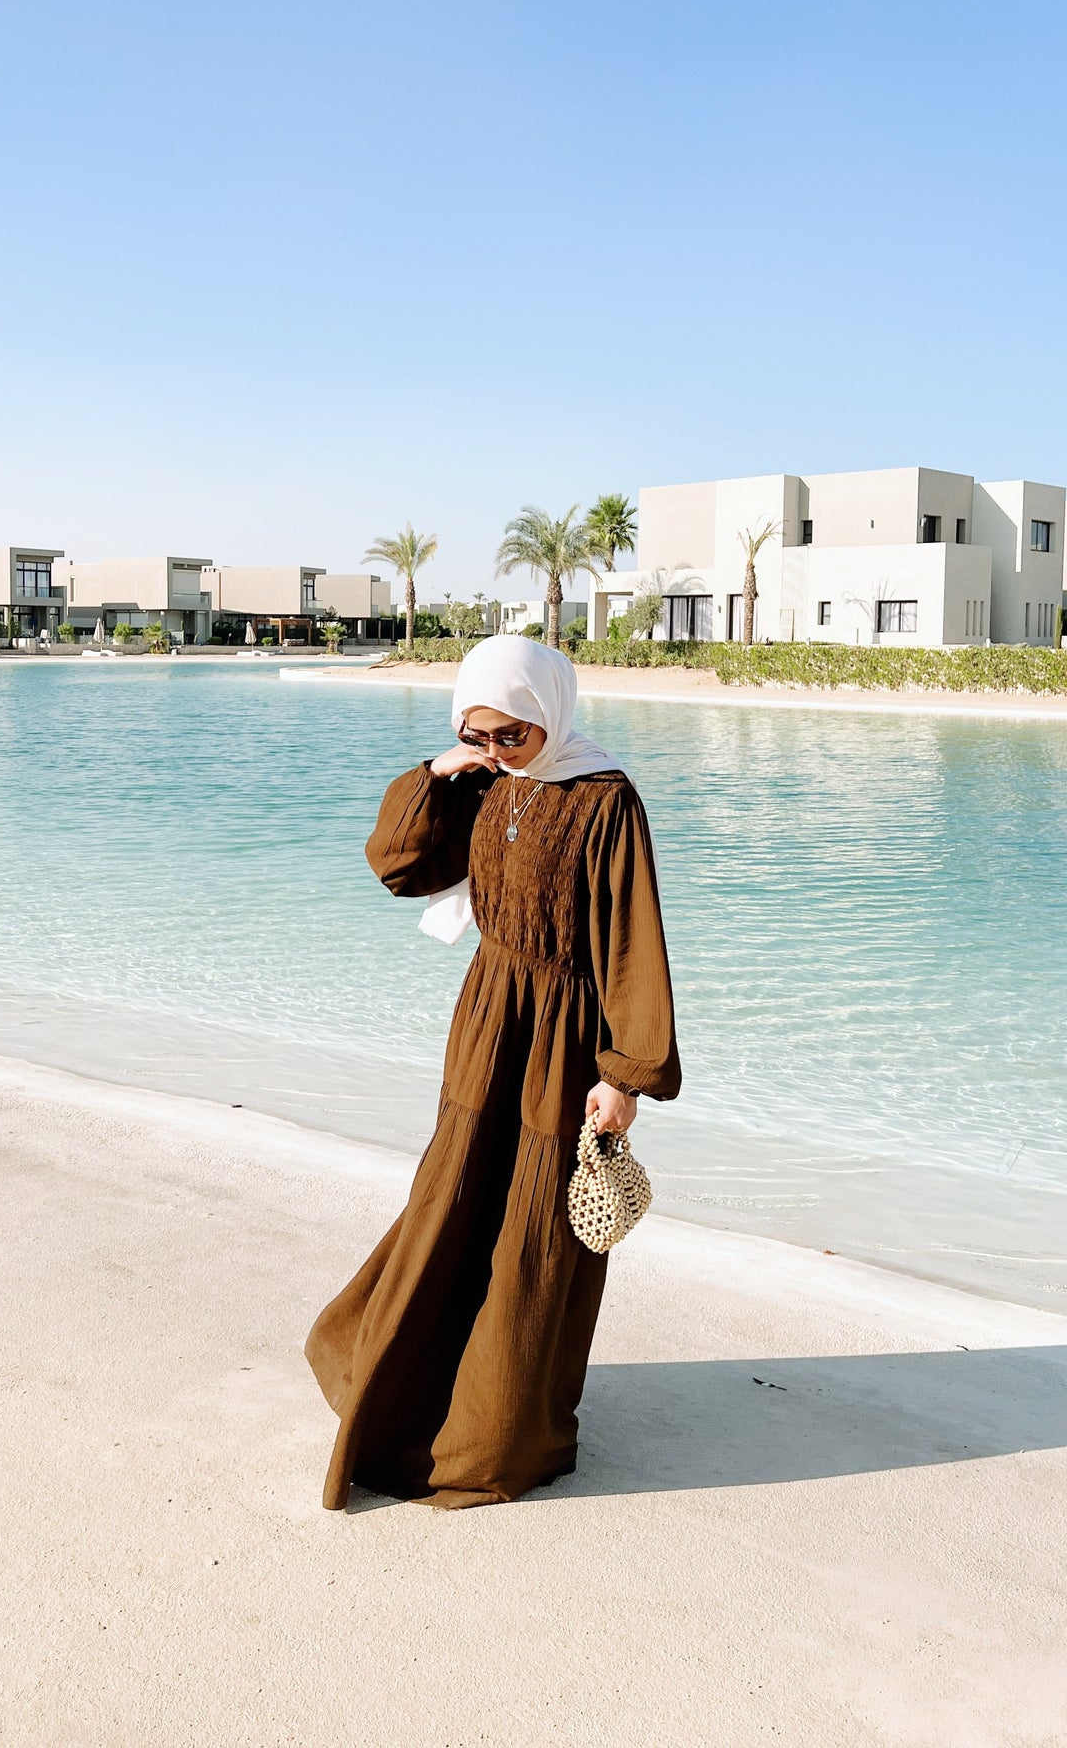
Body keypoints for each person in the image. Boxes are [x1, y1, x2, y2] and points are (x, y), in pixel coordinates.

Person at [306, 636, 680, 1509]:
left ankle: (503, 1419)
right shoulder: (481, 782)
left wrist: (624, 1075)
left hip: (562, 1037)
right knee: (456, 1191)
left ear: (548, 713)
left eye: (511, 735)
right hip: (485, 1020)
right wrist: (441, 770)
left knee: (534, 1221)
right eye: (478, 734)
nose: (498, 751)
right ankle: (403, 1371)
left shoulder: (603, 797)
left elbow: (632, 938)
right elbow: (399, 865)